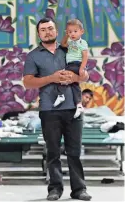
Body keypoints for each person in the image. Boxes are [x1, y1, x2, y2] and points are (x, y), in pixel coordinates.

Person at [23, 18, 92, 201]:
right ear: (39, 34)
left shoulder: (70, 49)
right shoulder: (33, 56)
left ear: (56, 30)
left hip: (73, 109)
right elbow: (27, 82)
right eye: (43, 29)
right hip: (49, 110)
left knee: (74, 152)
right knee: (52, 151)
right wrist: (51, 78)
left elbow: (85, 76)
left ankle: (79, 189)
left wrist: (78, 77)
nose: (47, 32)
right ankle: (55, 189)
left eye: (51, 28)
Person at [53, 19, 88, 119]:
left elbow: (85, 56)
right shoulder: (70, 41)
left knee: (62, 77)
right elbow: (63, 44)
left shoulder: (83, 43)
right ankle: (79, 104)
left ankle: (61, 95)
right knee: (74, 85)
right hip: (70, 65)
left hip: (76, 65)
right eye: (70, 31)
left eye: (75, 31)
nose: (72, 34)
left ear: (82, 31)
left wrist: (82, 68)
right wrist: (66, 35)